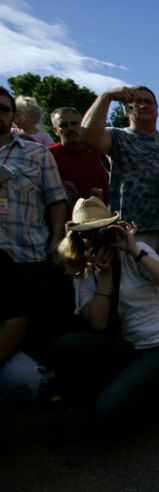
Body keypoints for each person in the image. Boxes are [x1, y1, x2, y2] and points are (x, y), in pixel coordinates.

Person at [50, 196, 159, 434]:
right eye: (88, 233)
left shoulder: (136, 252)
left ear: (113, 228)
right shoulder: (85, 272)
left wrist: (134, 249)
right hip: (131, 348)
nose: (96, 239)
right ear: (77, 238)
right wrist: (104, 275)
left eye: (101, 230)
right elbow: (97, 323)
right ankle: (113, 397)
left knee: (108, 413)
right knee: (65, 345)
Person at [80, 86, 159, 292]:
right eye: (136, 102)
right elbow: (88, 138)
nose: (143, 105)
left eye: (148, 101)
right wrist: (107, 96)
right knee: (138, 292)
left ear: (157, 109)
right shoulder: (117, 136)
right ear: (126, 110)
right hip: (134, 231)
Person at [0, 86, 68, 405]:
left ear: (13, 116)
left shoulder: (36, 153)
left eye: (3, 108)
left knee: (34, 327)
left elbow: (56, 199)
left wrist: (56, 239)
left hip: (27, 253)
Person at [49, 107, 109, 208]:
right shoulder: (48, 155)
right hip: (68, 220)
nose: (70, 128)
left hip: (109, 214)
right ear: (56, 130)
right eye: (63, 125)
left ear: (82, 125)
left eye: (74, 123)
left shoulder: (101, 151)